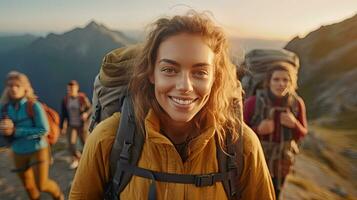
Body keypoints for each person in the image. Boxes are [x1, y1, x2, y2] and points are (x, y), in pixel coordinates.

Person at [70, 11, 275, 200]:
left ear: (215, 79)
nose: (184, 86)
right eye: (169, 69)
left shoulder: (242, 145)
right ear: (151, 73)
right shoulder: (108, 138)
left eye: (200, 72)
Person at [243, 63, 308, 199]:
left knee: (275, 194)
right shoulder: (252, 102)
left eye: (285, 80)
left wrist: (294, 124)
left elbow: (302, 133)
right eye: (276, 79)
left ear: (292, 82)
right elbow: (238, 132)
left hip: (282, 160)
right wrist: (258, 130)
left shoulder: (296, 103)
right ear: (268, 81)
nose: (281, 84)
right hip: (257, 157)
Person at [0, 71, 64, 200]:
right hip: (18, 151)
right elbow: (6, 130)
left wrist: (16, 131)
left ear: (25, 88)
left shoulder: (34, 106)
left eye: (17, 85)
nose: (13, 88)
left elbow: (43, 130)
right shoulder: (5, 108)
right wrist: (5, 130)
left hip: (38, 149)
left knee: (42, 185)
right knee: (28, 187)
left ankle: (58, 196)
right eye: (10, 85)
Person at [60, 80, 91, 169]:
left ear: (77, 88)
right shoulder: (65, 100)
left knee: (86, 144)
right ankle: (77, 159)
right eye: (69, 89)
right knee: (71, 145)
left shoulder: (82, 98)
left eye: (72, 88)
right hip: (71, 125)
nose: (71, 90)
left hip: (82, 126)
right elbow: (63, 114)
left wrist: (86, 114)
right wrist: (62, 126)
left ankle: (89, 161)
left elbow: (90, 108)